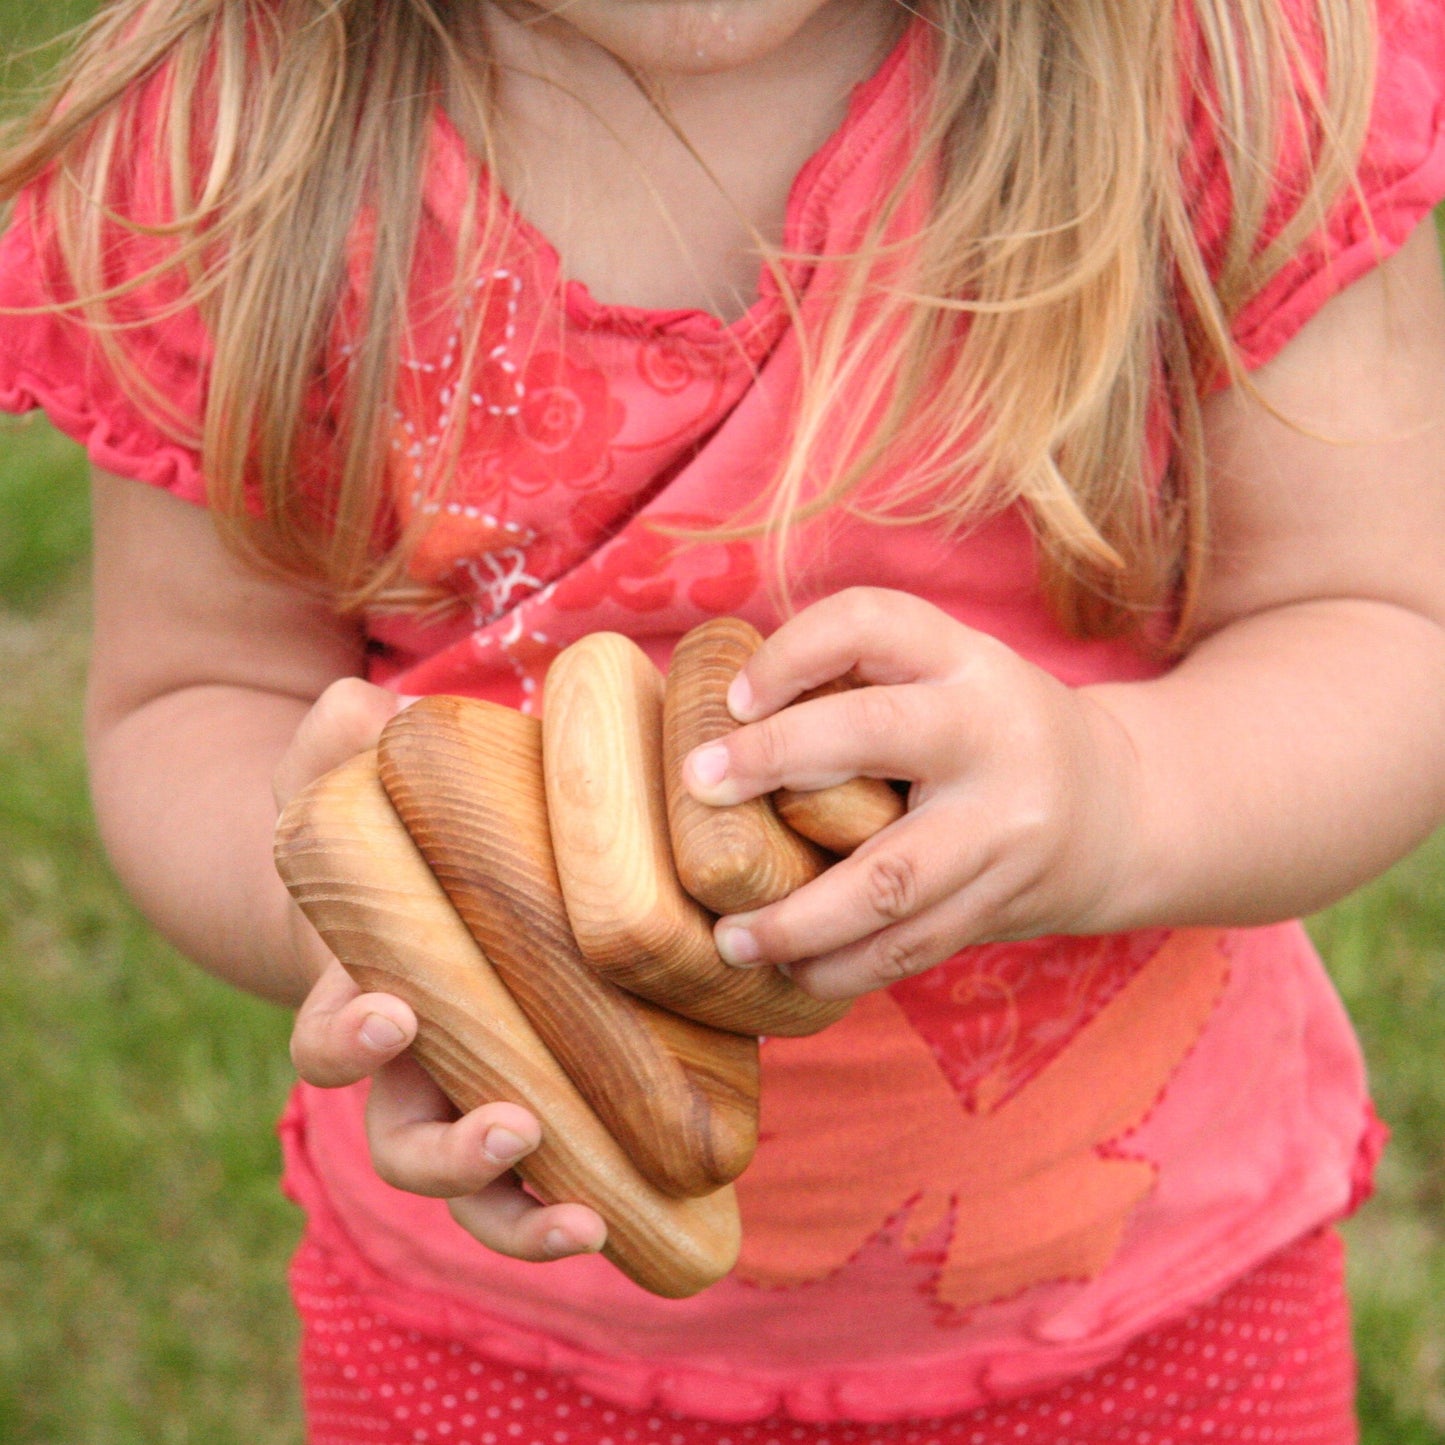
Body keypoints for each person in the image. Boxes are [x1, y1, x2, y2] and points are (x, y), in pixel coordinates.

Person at [3, 0, 1445, 1439]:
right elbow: (193, 695)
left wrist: (1116, 797)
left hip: (1150, 1313)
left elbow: (1377, 629)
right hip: (501, 1342)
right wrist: (348, 912)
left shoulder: (1218, 60)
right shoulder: (231, 137)